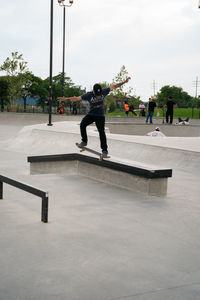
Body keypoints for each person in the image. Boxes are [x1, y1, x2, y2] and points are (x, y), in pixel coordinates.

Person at [58, 77, 131, 157]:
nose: (97, 97)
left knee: (101, 132)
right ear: (93, 91)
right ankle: (84, 141)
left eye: (99, 95)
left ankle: (104, 151)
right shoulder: (88, 95)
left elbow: (114, 86)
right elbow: (77, 98)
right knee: (82, 124)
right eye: (96, 95)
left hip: (100, 116)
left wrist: (124, 82)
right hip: (91, 114)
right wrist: (67, 99)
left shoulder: (104, 91)